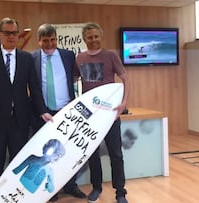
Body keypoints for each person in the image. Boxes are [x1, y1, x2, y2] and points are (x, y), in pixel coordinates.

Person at [0, 17, 52, 199]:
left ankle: (17, 198)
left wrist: (42, 111)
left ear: (18, 35)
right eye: (7, 33)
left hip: (20, 122)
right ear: (0, 34)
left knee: (18, 164)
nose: (11, 36)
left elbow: (34, 87)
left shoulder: (26, 58)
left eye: (14, 33)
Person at [75, 22, 130, 203]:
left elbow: (125, 78)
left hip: (110, 115)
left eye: (96, 36)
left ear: (101, 36)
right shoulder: (79, 58)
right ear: (84, 39)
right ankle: (96, 187)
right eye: (90, 37)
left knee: (116, 154)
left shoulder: (110, 55)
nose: (93, 40)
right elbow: (75, 81)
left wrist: (124, 103)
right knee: (92, 154)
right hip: (90, 117)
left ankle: (120, 191)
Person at [31, 23, 86, 202]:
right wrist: (41, 110)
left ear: (57, 38)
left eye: (53, 40)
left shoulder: (68, 55)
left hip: (66, 110)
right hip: (43, 113)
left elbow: (76, 76)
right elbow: (32, 87)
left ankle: (71, 185)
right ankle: (51, 189)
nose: (49, 44)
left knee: (69, 151)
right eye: (45, 41)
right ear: (38, 41)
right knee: (47, 153)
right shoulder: (31, 58)